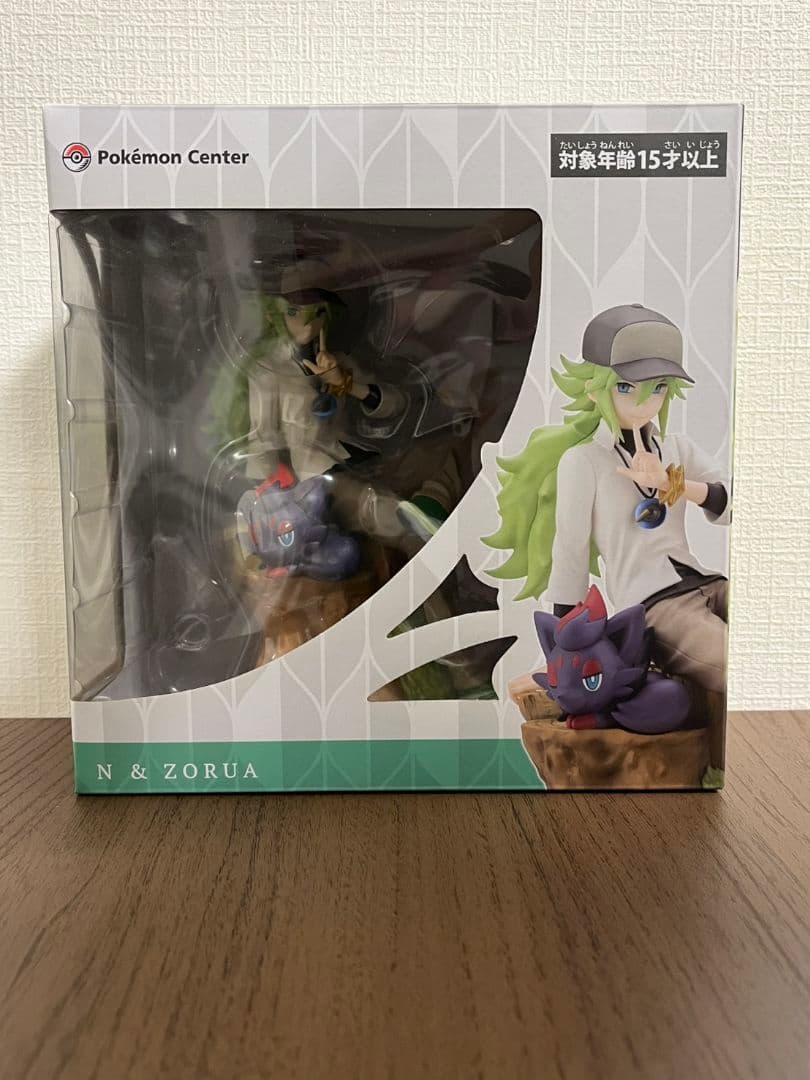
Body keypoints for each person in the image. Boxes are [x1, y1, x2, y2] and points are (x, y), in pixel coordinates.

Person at [484, 304, 730, 695]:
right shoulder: (584, 461)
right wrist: (563, 644)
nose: (645, 402)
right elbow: (571, 551)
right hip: (655, 607)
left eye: (659, 388)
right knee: (735, 664)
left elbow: (736, 505)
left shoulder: (676, 448)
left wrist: (675, 483)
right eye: (626, 387)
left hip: (709, 581)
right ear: (593, 387)